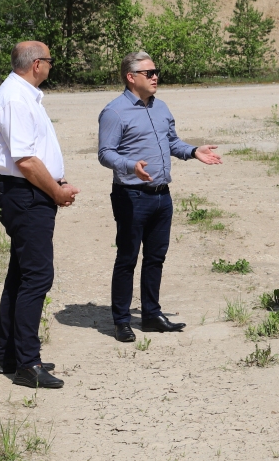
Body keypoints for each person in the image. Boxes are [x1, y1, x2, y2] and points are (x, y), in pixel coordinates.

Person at [98, 52, 222, 342]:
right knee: (127, 258)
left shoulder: (161, 107)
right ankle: (121, 320)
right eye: (149, 72)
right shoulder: (114, 112)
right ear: (131, 77)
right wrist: (130, 166)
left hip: (161, 196)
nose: (156, 77)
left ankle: (152, 315)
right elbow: (105, 154)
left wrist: (193, 151)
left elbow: (172, 142)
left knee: (156, 258)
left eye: (157, 71)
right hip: (131, 195)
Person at [0, 41, 80, 389]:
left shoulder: (23, 95)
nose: (52, 67)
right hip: (25, 195)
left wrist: (56, 179)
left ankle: (11, 354)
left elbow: (32, 155)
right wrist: (55, 191)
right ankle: (27, 363)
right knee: (37, 277)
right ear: (37, 64)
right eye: (50, 61)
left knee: (21, 273)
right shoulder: (15, 98)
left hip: (28, 192)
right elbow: (24, 160)